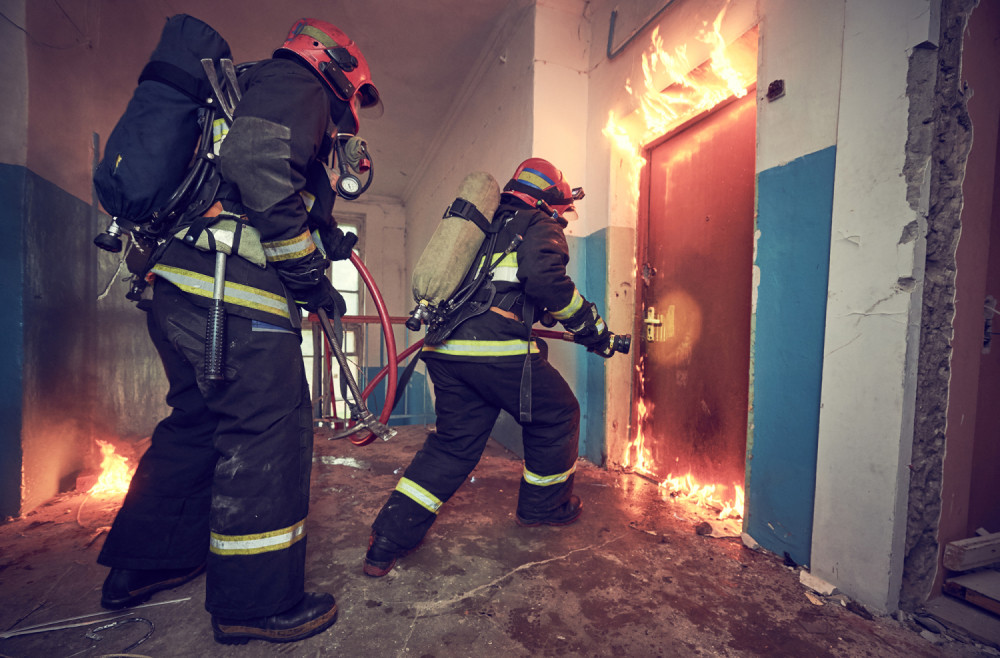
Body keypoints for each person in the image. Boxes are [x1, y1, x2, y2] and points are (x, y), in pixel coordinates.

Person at [96, 18, 380, 645]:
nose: (352, 113)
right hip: (232, 298)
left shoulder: (250, 90)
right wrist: (308, 271)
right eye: (356, 97)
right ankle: (255, 601)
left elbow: (257, 184)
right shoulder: (298, 81)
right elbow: (256, 163)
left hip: (180, 291)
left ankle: (145, 563)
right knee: (268, 430)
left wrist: (328, 237)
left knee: (197, 421)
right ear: (335, 68)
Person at [364, 157, 618, 578]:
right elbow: (546, 280)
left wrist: (540, 312)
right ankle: (544, 507)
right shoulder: (538, 224)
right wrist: (591, 327)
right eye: (561, 212)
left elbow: (506, 287)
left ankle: (387, 539)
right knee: (558, 414)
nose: (562, 220)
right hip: (496, 351)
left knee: (452, 445)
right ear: (549, 201)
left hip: (445, 352)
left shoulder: (481, 228)